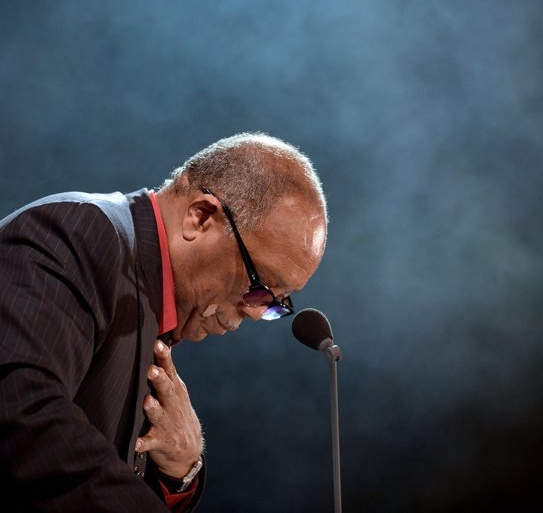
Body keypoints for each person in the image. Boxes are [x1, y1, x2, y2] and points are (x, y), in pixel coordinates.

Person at [0, 132, 329, 512]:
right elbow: (17, 407)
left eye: (277, 302)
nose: (256, 312)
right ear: (201, 217)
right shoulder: (79, 234)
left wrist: (179, 471)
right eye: (259, 286)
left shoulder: (152, 302)